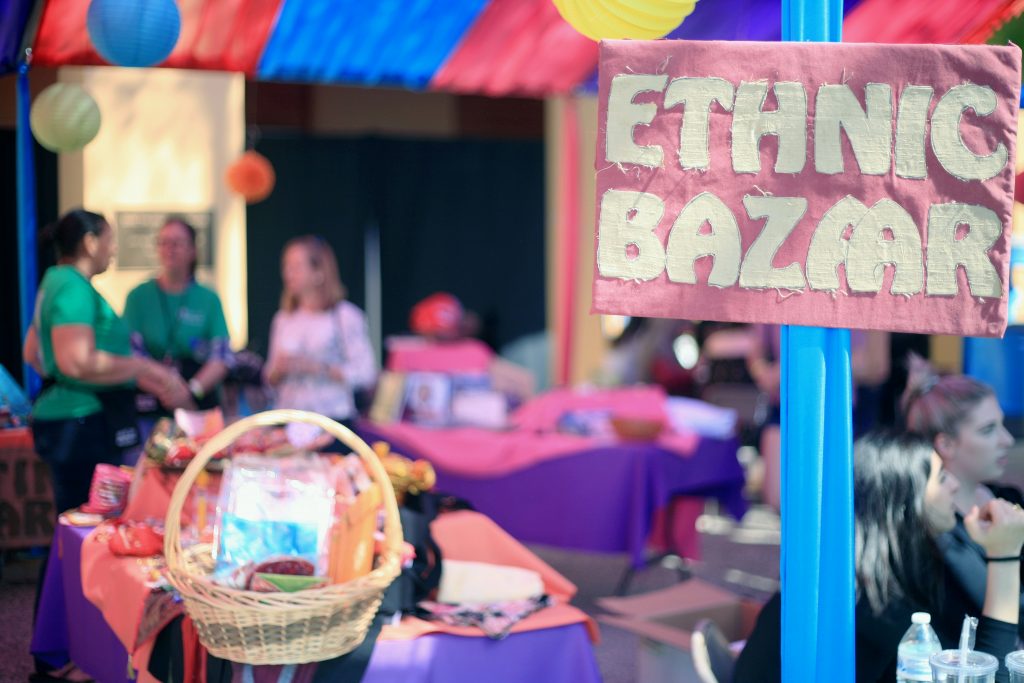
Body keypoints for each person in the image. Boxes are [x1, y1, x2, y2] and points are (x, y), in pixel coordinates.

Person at [733, 430, 1024, 683]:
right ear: (905, 498)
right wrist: (1005, 556)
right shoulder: (866, 603)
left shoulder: (871, 575)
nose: (954, 485)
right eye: (941, 476)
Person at [22, 210, 189, 515]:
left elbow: (33, 353)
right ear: (90, 243)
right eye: (110, 241)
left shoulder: (57, 282)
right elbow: (76, 362)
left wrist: (69, 378)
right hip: (80, 425)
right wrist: (142, 368)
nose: (113, 250)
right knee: (90, 522)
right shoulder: (72, 287)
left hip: (71, 421)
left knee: (75, 520)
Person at [901, 354, 1024, 638]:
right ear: (945, 443)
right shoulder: (939, 529)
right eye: (988, 430)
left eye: (1002, 424)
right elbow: (1003, 617)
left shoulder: (1007, 497)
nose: (1007, 440)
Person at [123, 217, 231, 421]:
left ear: (192, 250)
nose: (169, 249)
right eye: (163, 242)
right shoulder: (138, 297)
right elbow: (130, 355)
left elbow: (222, 357)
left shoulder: (208, 298)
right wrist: (166, 392)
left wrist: (190, 391)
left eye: (177, 243)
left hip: (197, 399)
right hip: (151, 401)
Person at [264, 235, 377, 429]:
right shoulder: (283, 319)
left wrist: (320, 368)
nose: (288, 273)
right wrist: (279, 370)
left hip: (332, 421)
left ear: (319, 272)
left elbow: (366, 373)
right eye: (286, 266)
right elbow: (268, 377)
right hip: (289, 422)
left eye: (297, 266)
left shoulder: (345, 316)